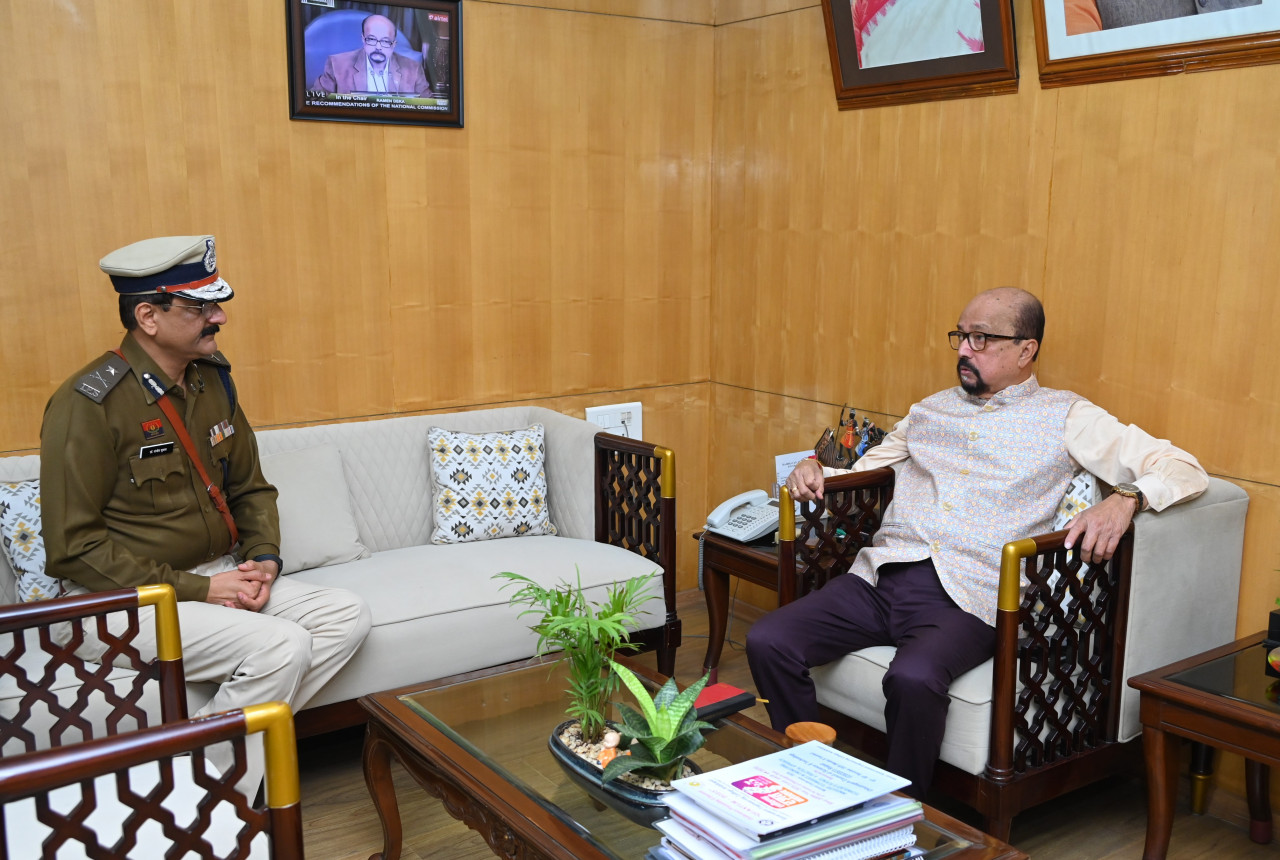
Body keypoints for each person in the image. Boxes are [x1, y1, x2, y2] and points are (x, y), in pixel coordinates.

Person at [747, 287, 1207, 798]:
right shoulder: (929, 411)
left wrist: (1125, 499)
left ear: (1026, 350)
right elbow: (859, 472)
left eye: (982, 339)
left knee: (913, 679)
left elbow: (1182, 468)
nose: (965, 349)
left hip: (973, 596)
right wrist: (813, 470)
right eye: (961, 336)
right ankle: (809, 784)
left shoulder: (1068, 417)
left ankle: (902, 814)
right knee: (769, 640)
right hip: (881, 576)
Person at [40, 234, 372, 791]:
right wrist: (201, 590)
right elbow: (74, 549)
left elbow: (249, 487)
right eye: (199, 307)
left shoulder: (211, 379)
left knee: (347, 615)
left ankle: (182, 778)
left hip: (217, 574)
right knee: (281, 645)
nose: (219, 317)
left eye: (216, 304)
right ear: (148, 316)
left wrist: (264, 560)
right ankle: (208, 803)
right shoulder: (88, 403)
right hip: (119, 600)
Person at [311, 13, 431, 96]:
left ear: (394, 44)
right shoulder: (337, 65)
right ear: (363, 39)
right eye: (372, 39)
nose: (378, 47)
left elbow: (430, 106)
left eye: (385, 41)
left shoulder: (413, 69)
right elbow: (316, 100)